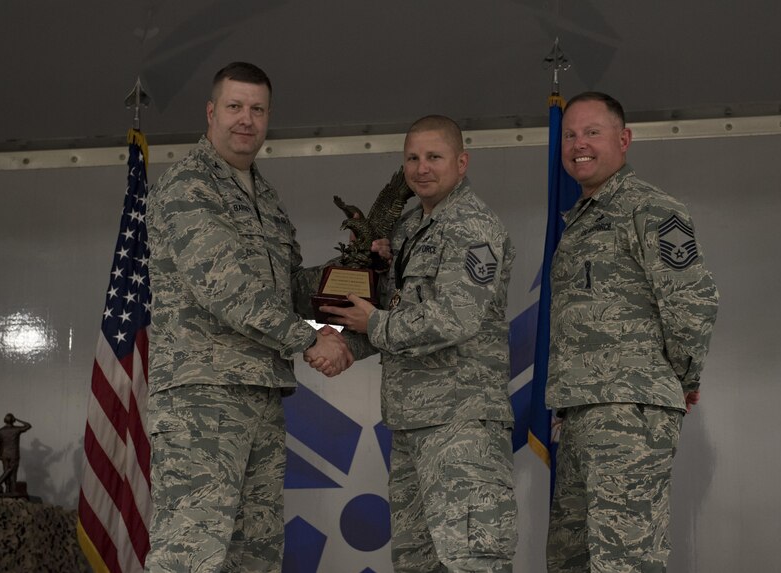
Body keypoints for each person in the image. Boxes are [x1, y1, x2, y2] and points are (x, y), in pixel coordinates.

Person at [145, 61, 351, 573]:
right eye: (235, 107)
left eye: (257, 109)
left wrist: (359, 273)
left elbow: (287, 287)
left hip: (259, 394)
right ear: (212, 112)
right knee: (190, 555)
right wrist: (308, 340)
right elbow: (228, 289)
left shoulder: (265, 197)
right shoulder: (190, 185)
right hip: (202, 397)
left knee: (253, 556)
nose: (246, 119)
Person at [321, 115, 518, 573]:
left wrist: (372, 327)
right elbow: (389, 310)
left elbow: (455, 318)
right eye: (412, 157)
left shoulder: (473, 228)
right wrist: (340, 340)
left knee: (472, 561)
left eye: (434, 157)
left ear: (462, 162)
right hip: (411, 425)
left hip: (462, 426)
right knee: (417, 564)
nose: (422, 168)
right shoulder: (409, 229)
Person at [545, 91, 719, 572]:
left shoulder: (652, 209)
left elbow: (693, 304)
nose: (579, 144)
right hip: (580, 413)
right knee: (571, 560)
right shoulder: (580, 220)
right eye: (571, 134)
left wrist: (682, 380)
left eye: (592, 132)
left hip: (628, 413)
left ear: (623, 140)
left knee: (623, 560)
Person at [0, 413, 31, 496]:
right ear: (13, 420)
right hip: (14, 454)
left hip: (4, 454)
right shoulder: (16, 429)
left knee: (6, 471)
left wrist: (0, 454)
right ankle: (12, 491)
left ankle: (7, 490)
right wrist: (18, 419)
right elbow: (28, 425)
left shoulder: (1, 431)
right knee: (13, 472)